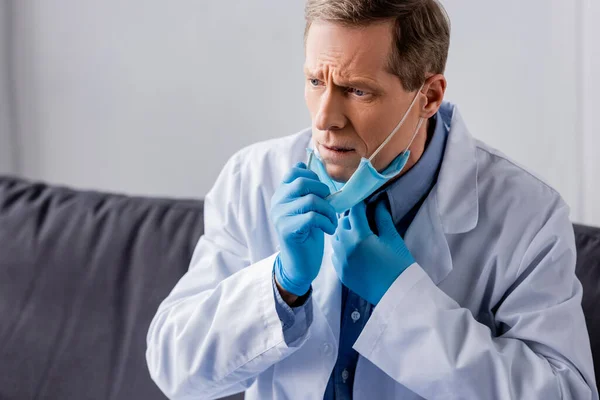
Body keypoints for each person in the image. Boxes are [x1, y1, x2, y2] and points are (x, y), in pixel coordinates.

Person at [146, 1, 598, 399]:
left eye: (356, 90)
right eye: (314, 81)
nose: (325, 118)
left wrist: (402, 299)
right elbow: (174, 369)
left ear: (429, 96)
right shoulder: (253, 179)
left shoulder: (528, 215)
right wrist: (281, 287)